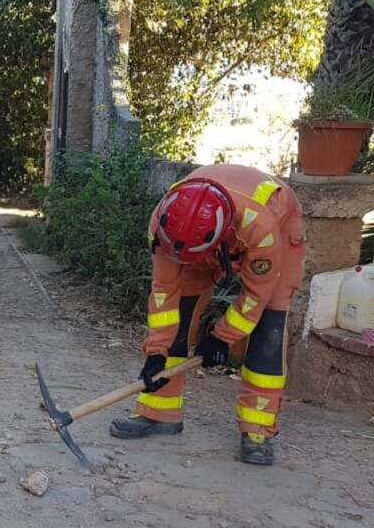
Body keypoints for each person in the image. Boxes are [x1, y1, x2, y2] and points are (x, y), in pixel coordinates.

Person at [109, 164, 306, 465]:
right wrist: (156, 352)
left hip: (277, 229)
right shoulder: (165, 225)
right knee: (178, 314)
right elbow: (163, 295)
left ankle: (256, 430)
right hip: (198, 239)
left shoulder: (259, 227)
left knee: (269, 326)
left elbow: (256, 296)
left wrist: (221, 338)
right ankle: (159, 412)